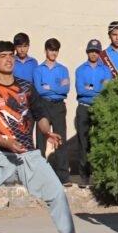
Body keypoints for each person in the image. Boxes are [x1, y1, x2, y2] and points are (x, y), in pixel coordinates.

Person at [0, 41, 100, 233]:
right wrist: (7, 143)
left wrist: (46, 132)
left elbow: (40, 115)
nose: (8, 59)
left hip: (27, 156)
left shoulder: (26, 88)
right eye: (3, 56)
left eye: (11, 55)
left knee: (56, 192)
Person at [71, 39, 112, 188]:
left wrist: (90, 88)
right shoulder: (80, 70)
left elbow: (108, 89)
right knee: (84, 142)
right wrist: (98, 88)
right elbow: (80, 90)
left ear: (99, 52)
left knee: (101, 140)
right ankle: (84, 176)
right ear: (87, 52)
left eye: (96, 51)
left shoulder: (105, 70)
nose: (93, 54)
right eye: (91, 51)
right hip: (84, 107)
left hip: (100, 107)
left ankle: (100, 176)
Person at [34, 37, 71, 184]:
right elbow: (39, 90)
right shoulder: (38, 70)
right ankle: (40, 173)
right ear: (46, 51)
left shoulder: (63, 69)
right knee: (41, 138)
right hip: (43, 104)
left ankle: (62, 174)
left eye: (56, 50)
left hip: (58, 105)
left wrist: (49, 87)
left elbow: (66, 89)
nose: (53, 53)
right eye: (51, 50)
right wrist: (57, 87)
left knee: (60, 138)